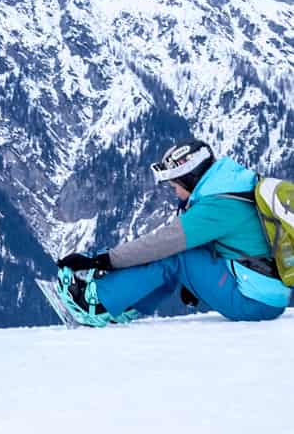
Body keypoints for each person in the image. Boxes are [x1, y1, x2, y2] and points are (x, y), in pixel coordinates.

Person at [52, 138, 290, 327]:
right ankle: (123, 305)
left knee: (175, 255)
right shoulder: (233, 186)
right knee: (179, 255)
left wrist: (103, 259)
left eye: (175, 184)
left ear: (190, 177)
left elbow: (162, 243)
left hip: (254, 302)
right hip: (262, 292)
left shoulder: (217, 205)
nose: (174, 191)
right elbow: (232, 240)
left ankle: (97, 304)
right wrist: (194, 280)